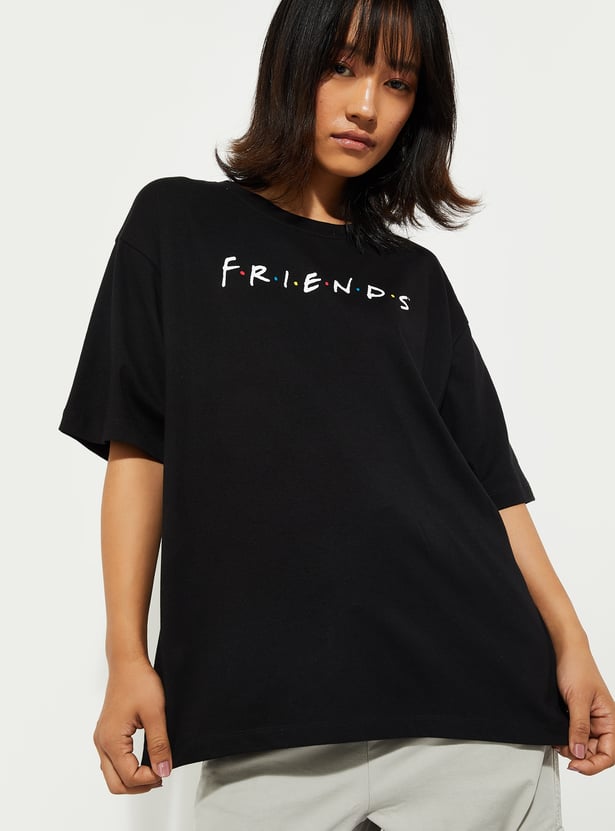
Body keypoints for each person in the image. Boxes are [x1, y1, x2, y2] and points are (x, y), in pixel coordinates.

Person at [58, 0, 614, 828]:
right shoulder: (176, 224)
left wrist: (571, 641)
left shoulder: (415, 280)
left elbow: (492, 485)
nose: (366, 106)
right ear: (291, 62)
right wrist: (125, 654)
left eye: (398, 83)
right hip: (260, 720)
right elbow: (137, 446)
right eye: (342, 67)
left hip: (470, 705)